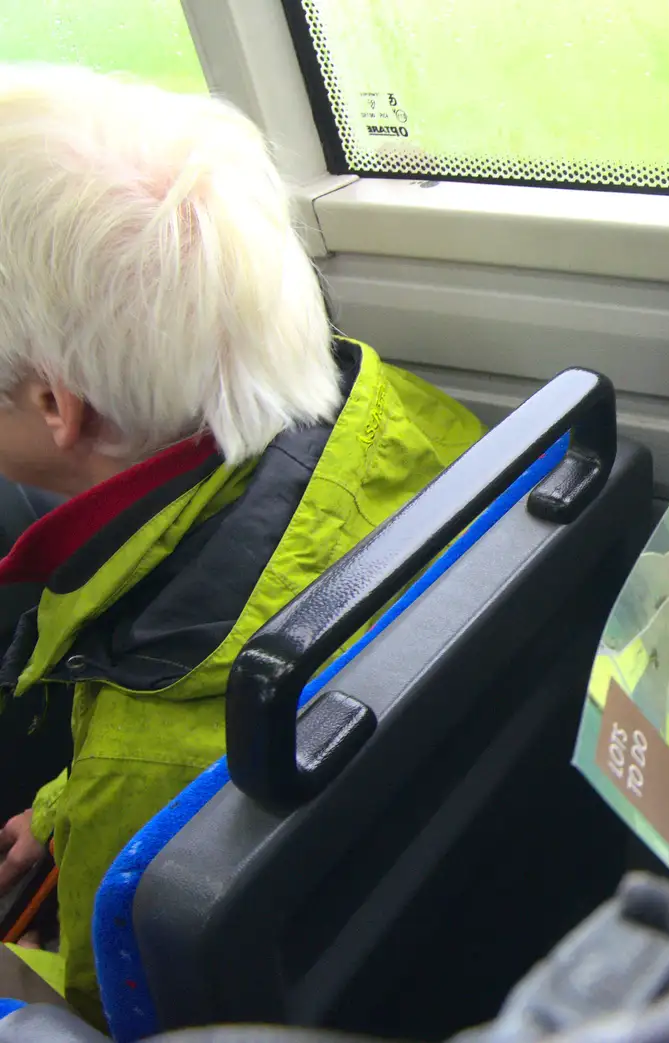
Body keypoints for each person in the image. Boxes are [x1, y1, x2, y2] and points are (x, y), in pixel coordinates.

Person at [0, 64, 483, 1020]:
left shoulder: (152, 753)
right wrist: (63, 809)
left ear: (59, 405)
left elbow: (112, 1007)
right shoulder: (411, 421)